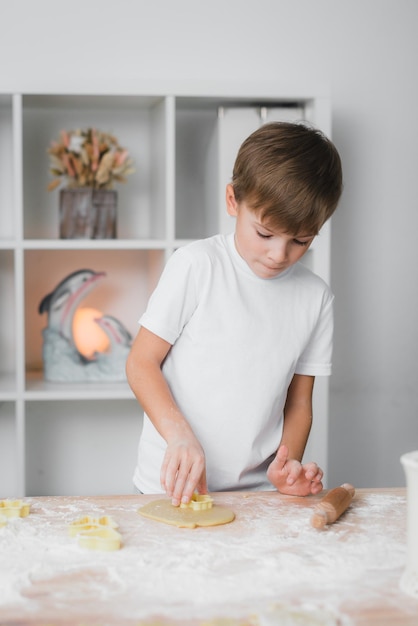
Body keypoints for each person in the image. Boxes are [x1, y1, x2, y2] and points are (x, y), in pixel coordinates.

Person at [126, 121, 343, 506]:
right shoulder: (196, 266)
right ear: (232, 201)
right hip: (172, 486)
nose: (279, 254)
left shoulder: (316, 298)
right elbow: (141, 363)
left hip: (258, 494)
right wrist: (179, 436)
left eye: (301, 241)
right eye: (265, 233)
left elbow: (298, 403)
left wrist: (286, 464)